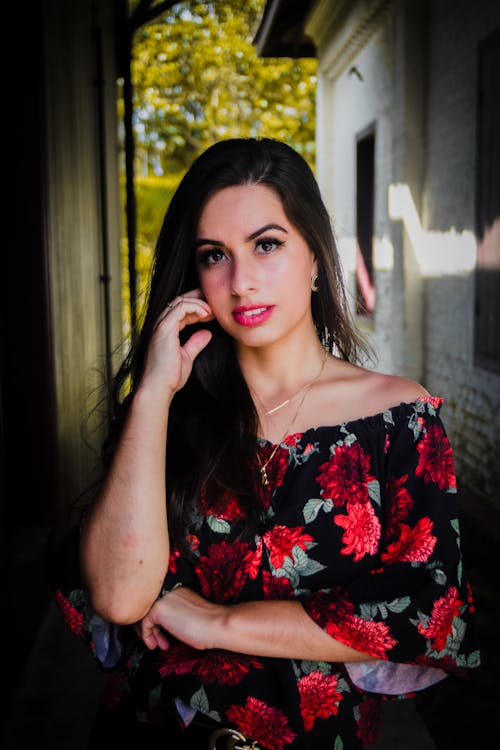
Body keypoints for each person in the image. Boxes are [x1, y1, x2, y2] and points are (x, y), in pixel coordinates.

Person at [51, 138, 480, 750]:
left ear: (313, 256)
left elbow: (423, 615)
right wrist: (152, 394)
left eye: (267, 244)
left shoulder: (399, 418)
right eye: (214, 255)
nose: (242, 281)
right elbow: (120, 595)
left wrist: (218, 620)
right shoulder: (166, 410)